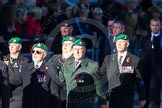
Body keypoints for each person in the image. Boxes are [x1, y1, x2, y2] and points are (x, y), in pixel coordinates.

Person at [100, 34, 146, 108]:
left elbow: (139, 80)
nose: (119, 44)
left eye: (121, 42)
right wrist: (102, 99)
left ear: (127, 44)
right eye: (117, 42)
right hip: (112, 98)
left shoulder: (134, 60)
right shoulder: (108, 59)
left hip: (127, 98)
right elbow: (102, 79)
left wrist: (142, 98)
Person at [59, 39, 106, 108]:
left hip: (86, 104)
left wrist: (103, 104)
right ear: (72, 51)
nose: (77, 52)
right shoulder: (66, 64)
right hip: (70, 103)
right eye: (75, 49)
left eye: (80, 49)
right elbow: (62, 81)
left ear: (85, 50)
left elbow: (99, 86)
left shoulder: (92, 65)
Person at [10, 43, 52, 108]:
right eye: (33, 51)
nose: (34, 53)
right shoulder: (25, 67)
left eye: (38, 52)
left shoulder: (49, 69)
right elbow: (15, 80)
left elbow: (53, 90)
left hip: (43, 104)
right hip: (28, 104)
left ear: (44, 55)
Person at [46, 36, 76, 108]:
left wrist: (50, 68)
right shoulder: (54, 58)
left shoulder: (76, 60)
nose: (65, 46)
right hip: (54, 98)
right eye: (64, 44)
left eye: (68, 44)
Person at [140, 18, 162, 108]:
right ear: (150, 26)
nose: (155, 27)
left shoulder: (161, 39)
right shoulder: (145, 39)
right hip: (146, 72)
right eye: (153, 25)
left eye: (157, 25)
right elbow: (142, 56)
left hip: (159, 72)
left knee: (155, 98)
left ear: (160, 26)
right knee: (146, 95)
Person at [3, 37, 30, 108]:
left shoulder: (25, 61)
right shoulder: (3, 60)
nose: (11, 47)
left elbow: (18, 78)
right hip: (4, 96)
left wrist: (4, 84)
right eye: (10, 45)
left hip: (18, 97)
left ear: (19, 47)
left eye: (14, 45)